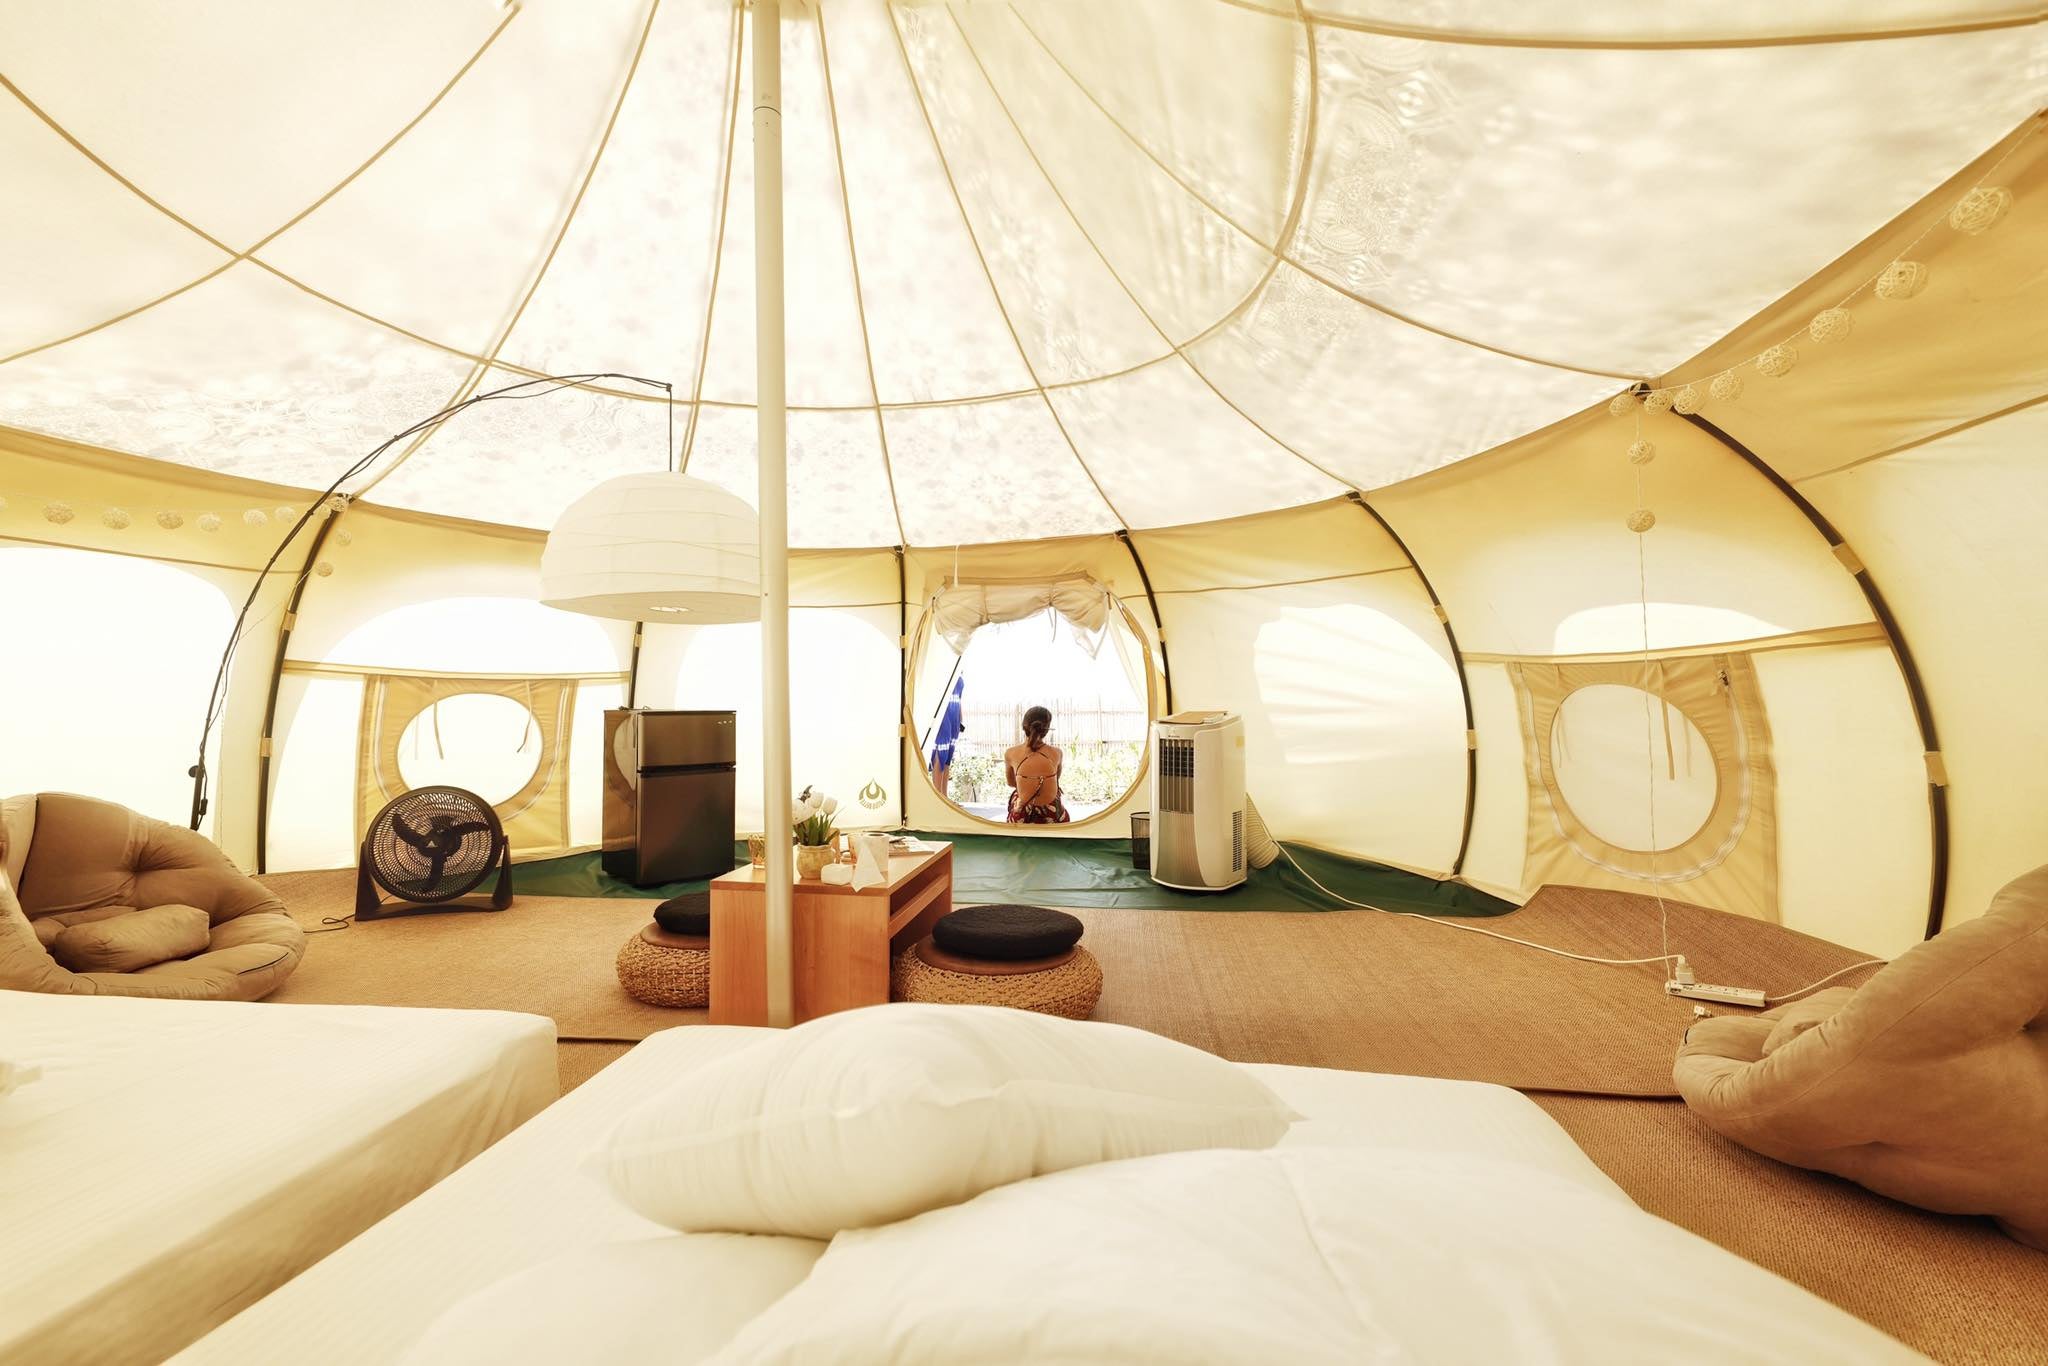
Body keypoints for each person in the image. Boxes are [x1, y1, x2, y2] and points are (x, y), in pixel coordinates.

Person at [1005, 704, 1069, 824]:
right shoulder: (1057, 753)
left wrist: (1026, 783)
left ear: (1024, 727)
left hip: (1022, 818)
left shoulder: (1010, 753)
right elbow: (1056, 781)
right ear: (1046, 729)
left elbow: (1011, 783)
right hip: (1053, 817)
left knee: (1016, 794)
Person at [930, 673, 965, 798]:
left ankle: (944, 797)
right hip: (942, 715)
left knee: (949, 754)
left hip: (954, 716)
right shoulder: (942, 668)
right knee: (941, 752)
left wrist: (960, 719)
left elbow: (959, 699)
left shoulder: (959, 670)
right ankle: (937, 798)